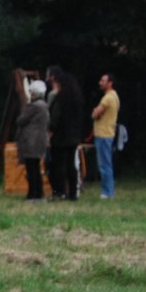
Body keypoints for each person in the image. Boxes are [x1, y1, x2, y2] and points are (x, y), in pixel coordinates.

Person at [46, 65, 84, 201]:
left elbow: (55, 118)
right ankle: (73, 193)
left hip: (60, 137)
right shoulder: (76, 99)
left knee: (58, 165)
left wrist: (50, 132)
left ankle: (59, 191)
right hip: (73, 137)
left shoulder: (60, 99)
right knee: (71, 166)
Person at [16, 79, 49, 202]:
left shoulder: (33, 106)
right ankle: (38, 193)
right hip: (40, 140)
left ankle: (32, 193)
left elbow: (21, 120)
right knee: (35, 167)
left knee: (31, 169)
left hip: (30, 141)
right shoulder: (44, 105)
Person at [91, 72, 120, 199]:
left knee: (104, 164)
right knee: (106, 163)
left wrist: (95, 112)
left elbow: (95, 114)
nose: (100, 83)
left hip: (103, 134)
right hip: (108, 133)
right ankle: (109, 191)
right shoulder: (115, 96)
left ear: (110, 83)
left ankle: (107, 192)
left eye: (103, 81)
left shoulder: (107, 98)